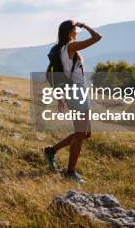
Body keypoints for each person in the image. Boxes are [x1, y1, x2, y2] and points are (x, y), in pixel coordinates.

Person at [44, 20, 102, 184]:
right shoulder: (70, 47)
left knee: (85, 133)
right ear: (70, 32)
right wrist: (85, 25)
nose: (77, 31)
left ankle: (52, 151)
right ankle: (70, 172)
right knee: (80, 133)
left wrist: (60, 97)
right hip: (76, 93)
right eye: (76, 29)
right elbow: (97, 37)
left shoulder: (63, 48)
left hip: (78, 93)